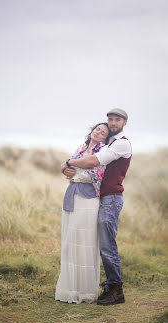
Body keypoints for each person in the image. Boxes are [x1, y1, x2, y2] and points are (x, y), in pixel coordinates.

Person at [61, 108, 132, 306]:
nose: (112, 123)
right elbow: (82, 163)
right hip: (102, 198)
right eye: (110, 119)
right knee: (102, 244)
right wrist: (65, 167)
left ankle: (116, 290)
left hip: (111, 199)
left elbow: (94, 161)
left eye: (117, 120)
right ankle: (110, 286)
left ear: (124, 122)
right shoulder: (108, 143)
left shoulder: (122, 144)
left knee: (107, 245)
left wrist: (67, 162)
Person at [55, 123, 110, 304]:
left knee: (85, 241)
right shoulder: (81, 148)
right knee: (71, 239)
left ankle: (84, 291)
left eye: (103, 132)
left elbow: (93, 174)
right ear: (92, 130)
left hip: (88, 199)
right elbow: (69, 170)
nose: (99, 132)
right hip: (73, 195)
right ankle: (69, 289)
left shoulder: (103, 150)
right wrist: (66, 169)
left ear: (105, 138)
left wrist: (71, 169)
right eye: (97, 129)